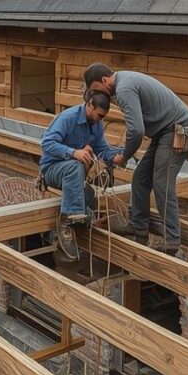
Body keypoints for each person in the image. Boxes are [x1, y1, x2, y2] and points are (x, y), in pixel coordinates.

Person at [83, 62, 188, 253]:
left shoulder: (124, 88)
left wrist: (124, 156)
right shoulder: (122, 82)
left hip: (176, 129)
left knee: (162, 183)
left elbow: (136, 131)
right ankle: (138, 226)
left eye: (96, 90)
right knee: (141, 177)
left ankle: (172, 240)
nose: (96, 95)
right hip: (162, 132)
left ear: (104, 80)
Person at [39, 90, 120, 259]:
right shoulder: (68, 118)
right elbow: (46, 143)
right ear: (89, 105)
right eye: (99, 115)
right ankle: (67, 221)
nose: (100, 119)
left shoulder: (96, 125)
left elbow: (102, 150)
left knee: (90, 197)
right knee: (75, 166)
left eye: (103, 116)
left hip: (73, 175)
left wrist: (118, 156)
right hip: (52, 169)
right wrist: (73, 152)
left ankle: (82, 219)